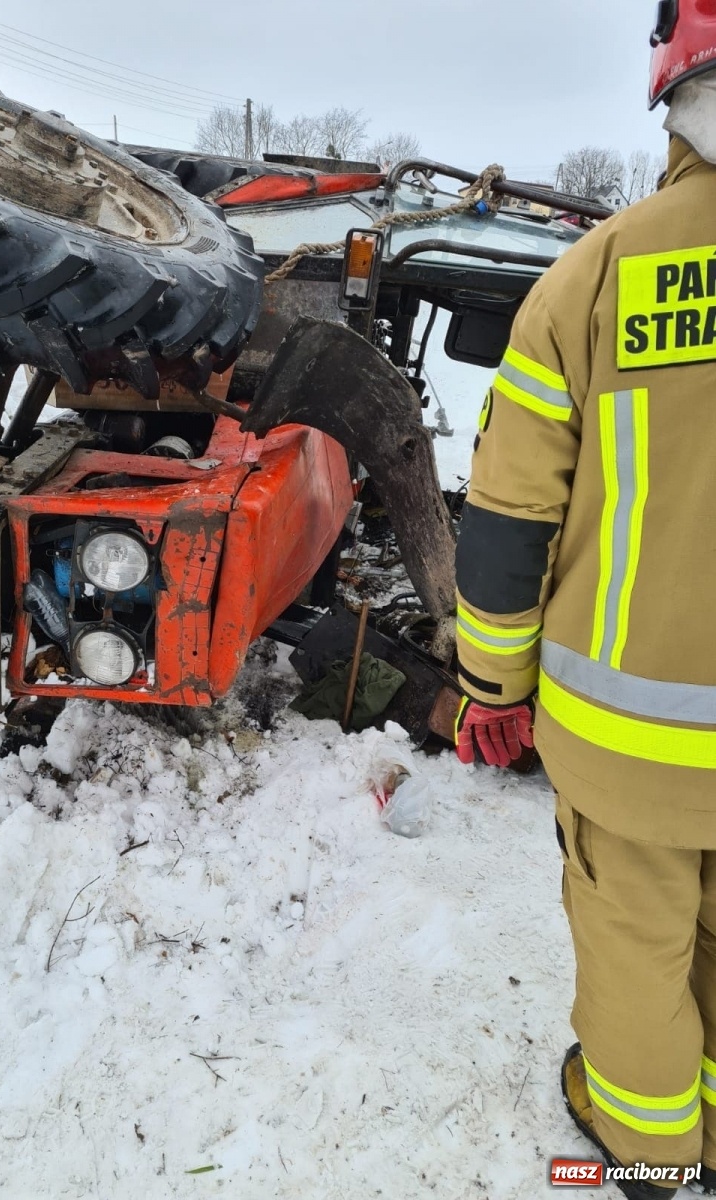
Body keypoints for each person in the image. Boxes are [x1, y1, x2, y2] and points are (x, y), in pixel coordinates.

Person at [453, 3, 716, 1197]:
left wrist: (490, 688)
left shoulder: (596, 276)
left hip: (637, 737)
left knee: (634, 938)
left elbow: (508, 522)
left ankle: (652, 1146)